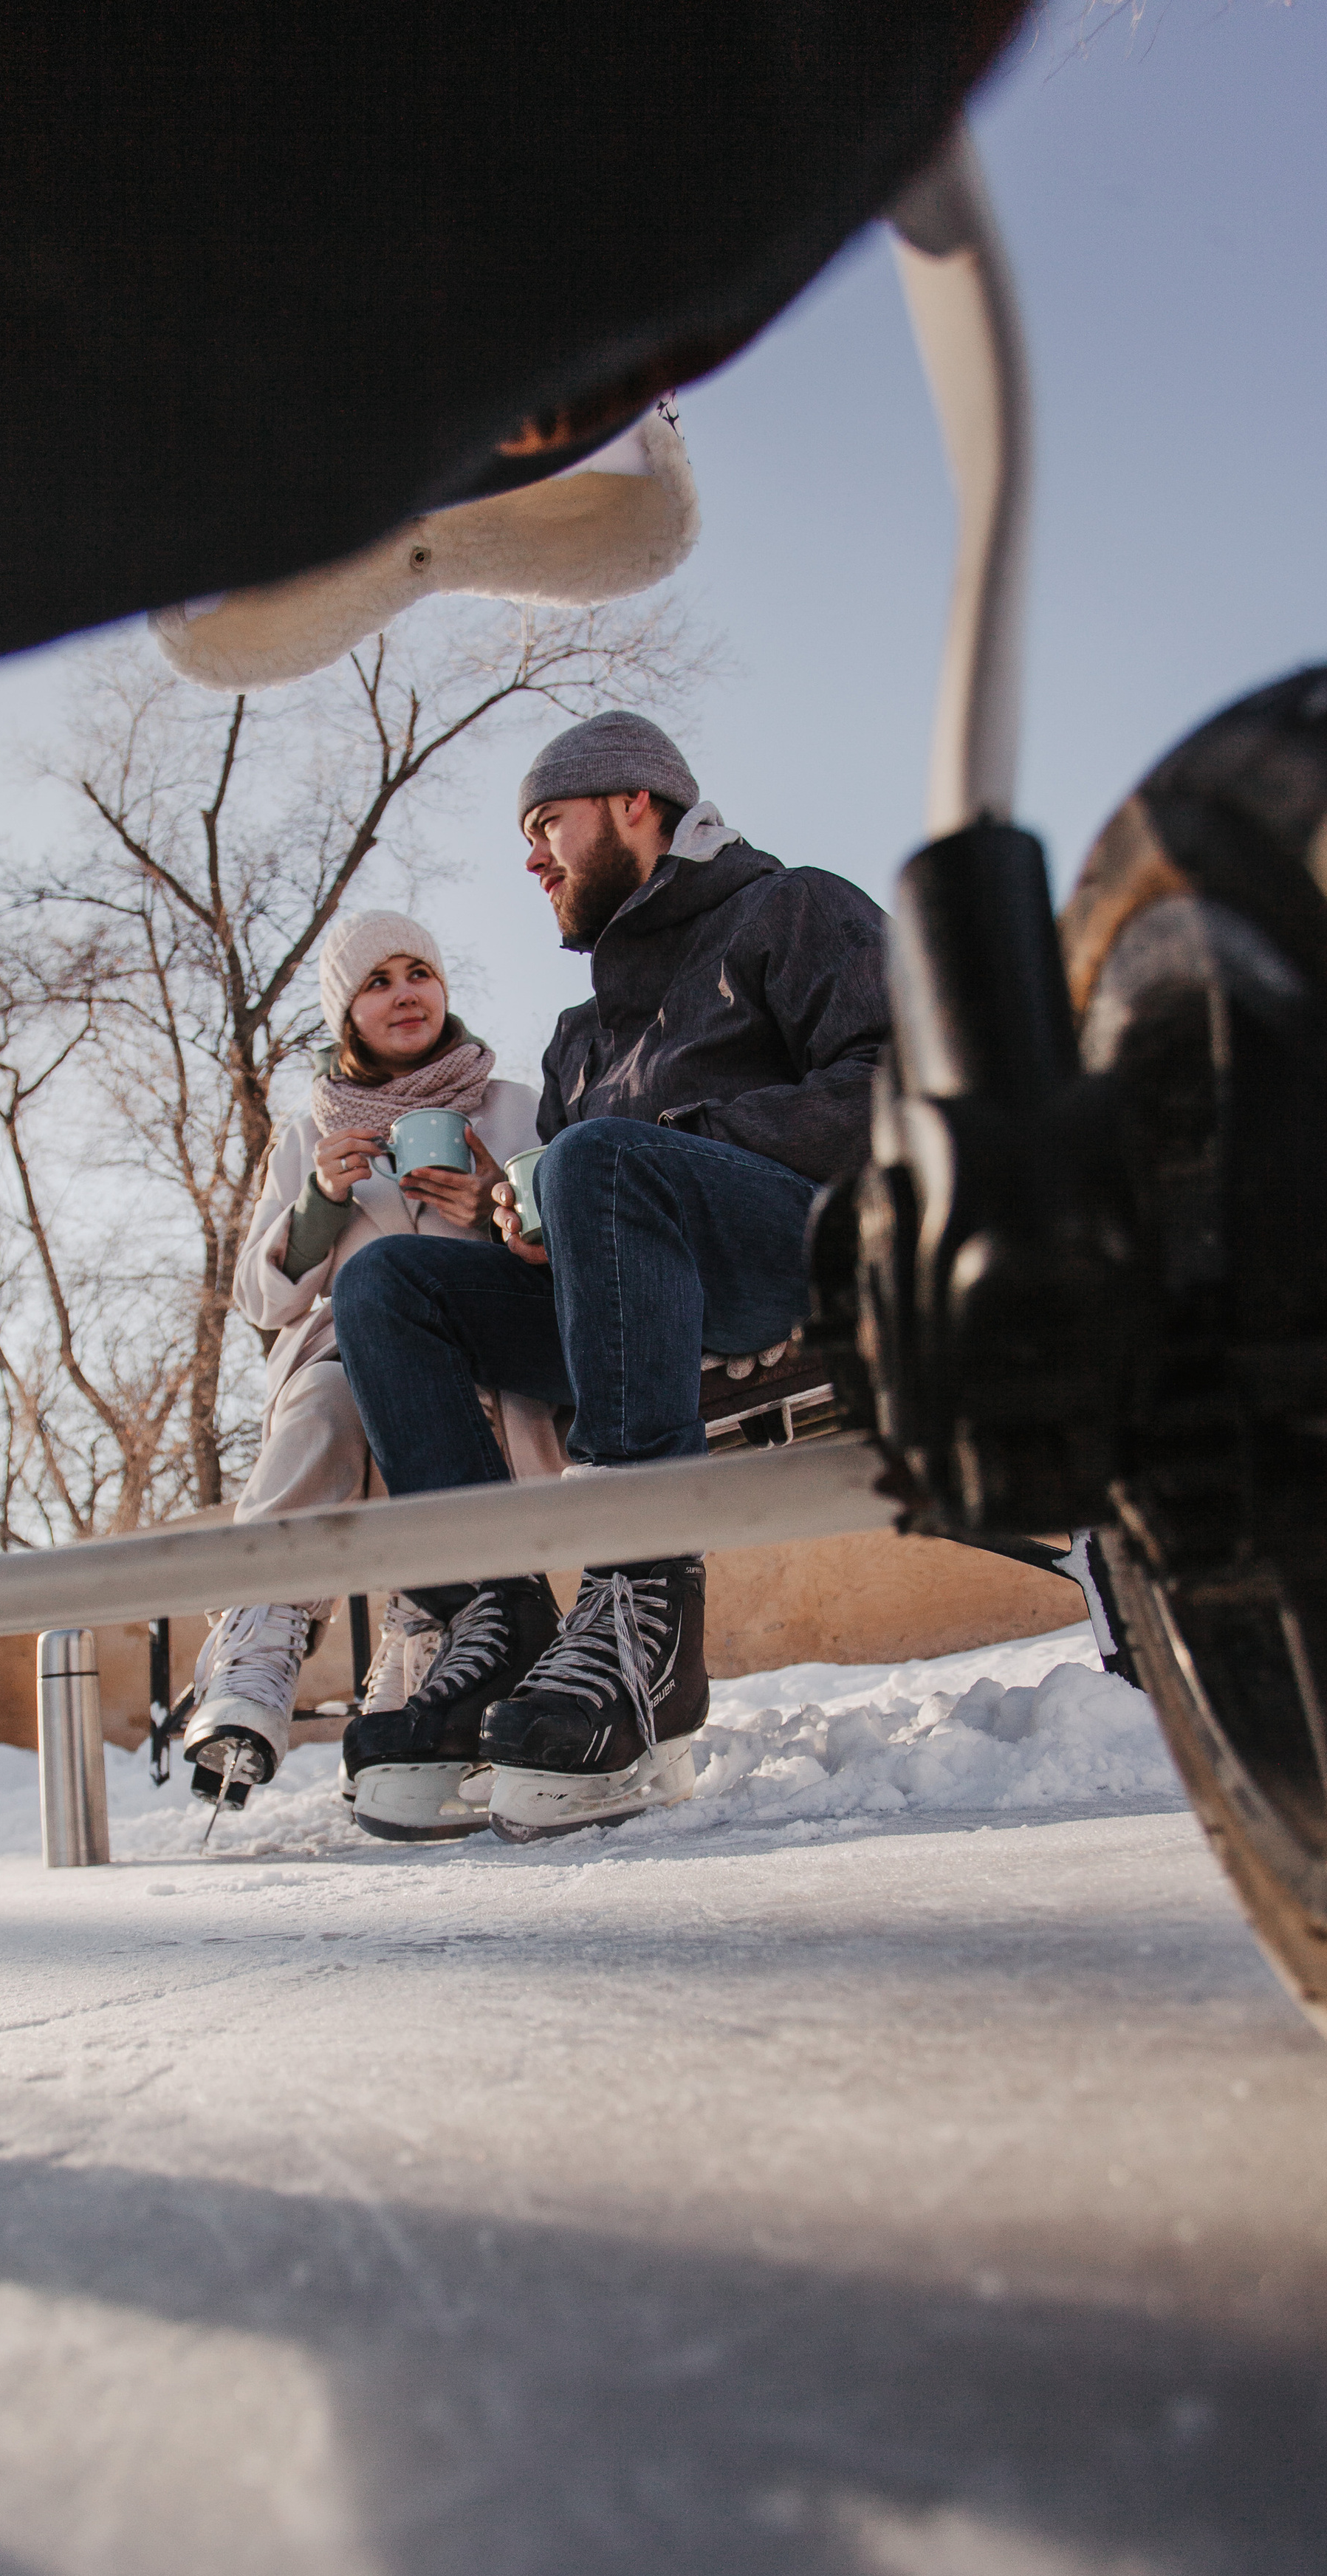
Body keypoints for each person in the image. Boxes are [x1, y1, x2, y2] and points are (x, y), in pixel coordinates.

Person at [332, 710, 889, 1843]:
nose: (531, 858)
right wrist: (521, 1220)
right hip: (630, 1309)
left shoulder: (794, 909)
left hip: (791, 1259)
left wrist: (648, 1156)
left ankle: (644, 1617)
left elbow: (897, 1083)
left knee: (597, 1159)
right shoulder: (581, 1031)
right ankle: (492, 1619)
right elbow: (582, 1193)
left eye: (547, 824)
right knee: (390, 1284)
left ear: (638, 802)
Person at [182, 909, 555, 1813]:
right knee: (324, 1401)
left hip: (485, 1352)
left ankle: (424, 1627)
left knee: (409, 1397)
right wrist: (319, 1203)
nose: (404, 995)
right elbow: (262, 1299)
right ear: (346, 1012)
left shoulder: (512, 1106)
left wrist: (490, 1212)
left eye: (416, 973)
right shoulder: (308, 1134)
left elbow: (566, 1245)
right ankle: (263, 1638)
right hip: (345, 1358)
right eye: (376, 982)